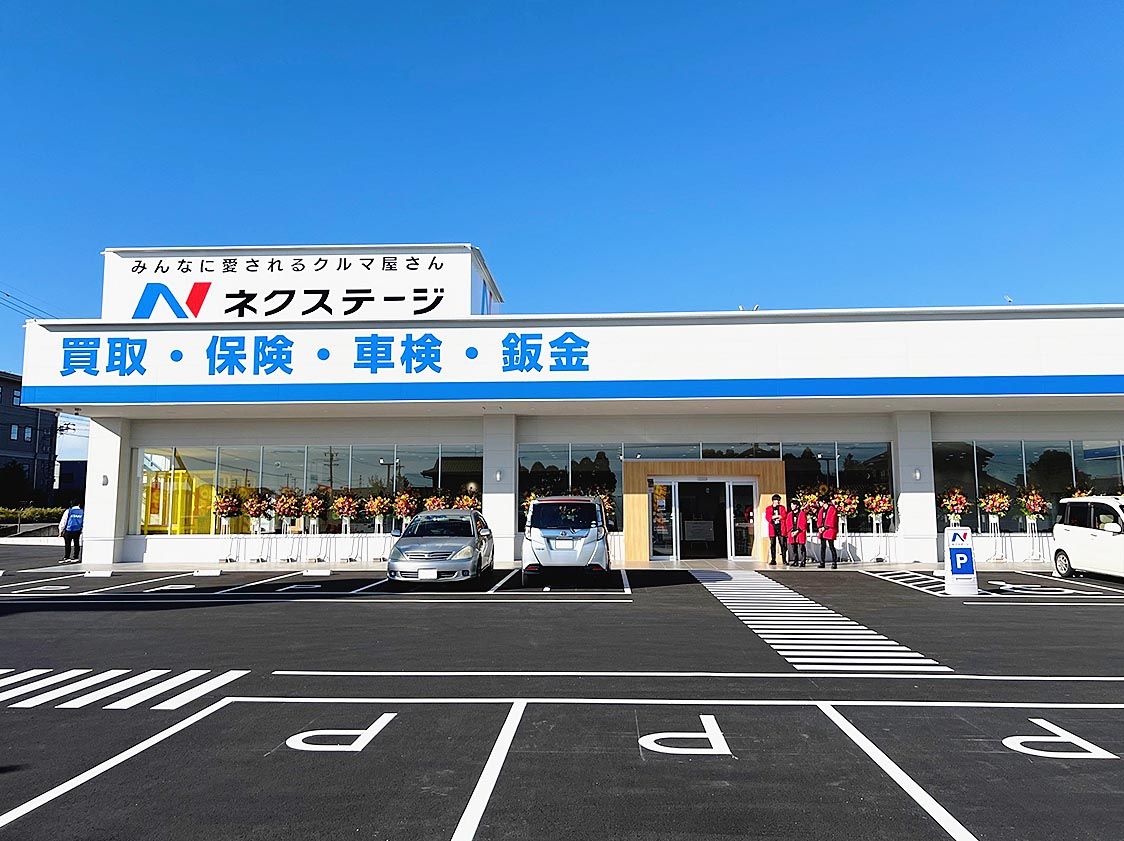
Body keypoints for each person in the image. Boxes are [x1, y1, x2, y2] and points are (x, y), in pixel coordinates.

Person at [765, 494, 787, 565]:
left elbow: (784, 515)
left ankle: (784, 559)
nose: (778, 502)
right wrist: (777, 516)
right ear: (773, 501)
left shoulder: (782, 508)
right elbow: (768, 517)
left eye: (779, 500)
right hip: (772, 528)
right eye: (777, 500)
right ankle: (773, 560)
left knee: (782, 544)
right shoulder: (769, 508)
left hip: (781, 528)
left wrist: (775, 517)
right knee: (772, 544)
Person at [817, 498, 839, 569]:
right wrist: (819, 527)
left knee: (831, 546)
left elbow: (832, 520)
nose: (819, 503)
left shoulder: (832, 509)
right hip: (823, 530)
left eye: (820, 502)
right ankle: (822, 562)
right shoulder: (821, 510)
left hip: (829, 529)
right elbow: (819, 519)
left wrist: (825, 527)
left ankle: (834, 562)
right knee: (823, 547)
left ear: (824, 501)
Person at [786, 499, 808, 566]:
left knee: (801, 547)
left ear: (797, 506)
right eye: (791, 505)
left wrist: (797, 530)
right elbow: (788, 523)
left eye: (793, 505)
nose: (792, 506)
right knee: (794, 548)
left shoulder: (802, 513)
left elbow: (803, 523)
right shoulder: (789, 514)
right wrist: (791, 531)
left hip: (800, 532)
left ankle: (803, 561)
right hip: (792, 532)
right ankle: (795, 561)